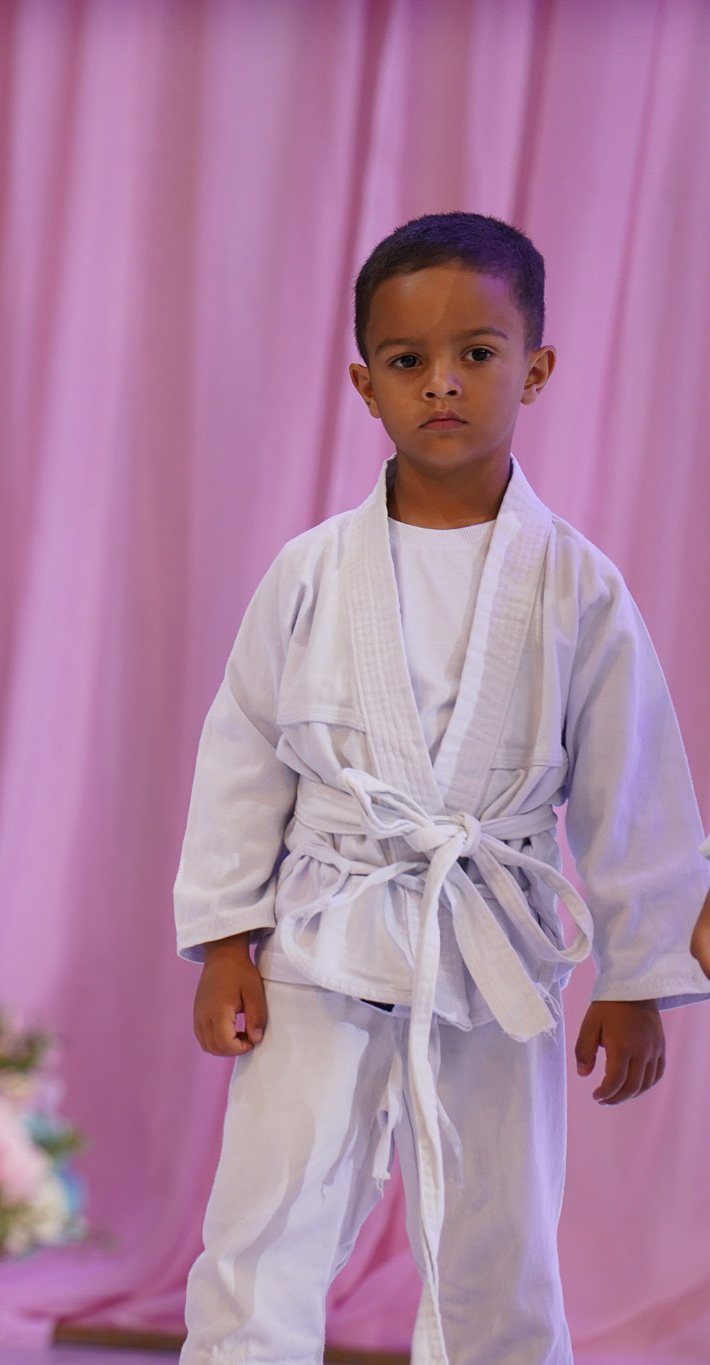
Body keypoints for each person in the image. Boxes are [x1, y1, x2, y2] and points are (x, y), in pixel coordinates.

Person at [173, 212, 710, 1365]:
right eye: (407, 360)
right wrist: (225, 938)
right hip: (320, 929)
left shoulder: (575, 585)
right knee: (266, 1214)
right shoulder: (308, 571)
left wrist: (636, 974)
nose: (441, 384)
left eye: (475, 353)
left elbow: (628, 779)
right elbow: (242, 755)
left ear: (535, 368)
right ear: (363, 385)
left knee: (498, 1228)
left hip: (494, 938)